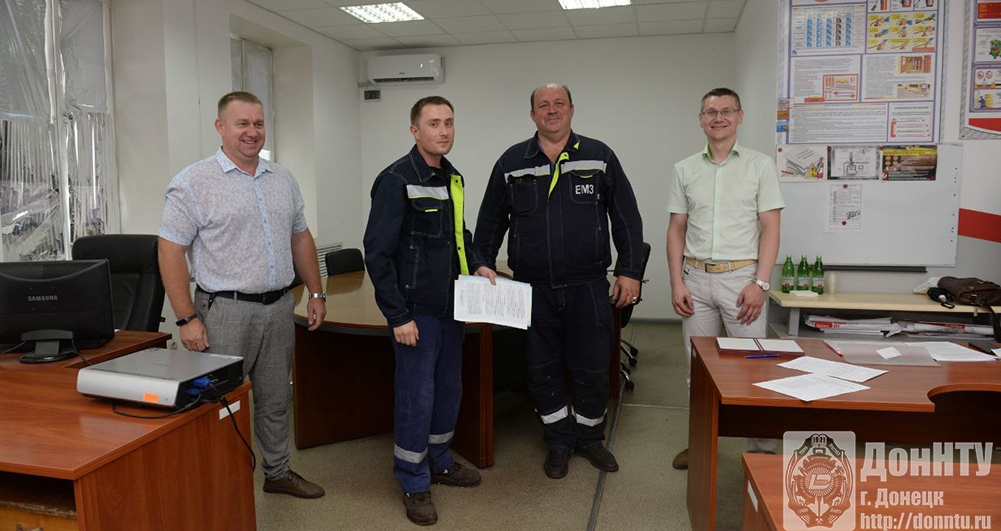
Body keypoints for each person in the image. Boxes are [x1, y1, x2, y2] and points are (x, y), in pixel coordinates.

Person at [158, 91, 327, 499]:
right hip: (224, 312)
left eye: (258, 123)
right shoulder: (193, 182)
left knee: (276, 399)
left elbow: (300, 237)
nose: (252, 132)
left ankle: (278, 473)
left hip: (279, 307)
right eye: (242, 124)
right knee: (220, 405)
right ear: (220, 127)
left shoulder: (282, 179)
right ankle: (222, 487)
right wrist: (186, 318)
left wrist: (316, 292)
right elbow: (170, 251)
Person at [474, 84, 644, 480]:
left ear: (571, 109)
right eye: (543, 105)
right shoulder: (511, 162)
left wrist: (630, 270)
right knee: (541, 368)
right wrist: (481, 263)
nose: (551, 110)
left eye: (559, 104)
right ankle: (558, 440)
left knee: (593, 366)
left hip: (588, 286)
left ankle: (590, 438)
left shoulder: (599, 156)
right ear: (532, 114)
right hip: (533, 289)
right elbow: (490, 221)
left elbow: (626, 218)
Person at [363, 96, 496, 526]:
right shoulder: (396, 179)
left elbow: (460, 234)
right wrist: (398, 316)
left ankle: (439, 460)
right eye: (434, 123)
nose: (443, 131)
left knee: (448, 389)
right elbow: (377, 253)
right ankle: (412, 479)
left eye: (449, 123)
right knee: (416, 397)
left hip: (452, 306)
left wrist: (478, 261)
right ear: (415, 131)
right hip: (415, 310)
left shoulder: (452, 177)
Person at [666, 87, 785, 470]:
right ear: (700, 119)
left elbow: (770, 227)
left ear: (740, 116)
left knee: (754, 368)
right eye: (711, 112)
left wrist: (761, 283)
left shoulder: (760, 166)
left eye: (727, 111)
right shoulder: (685, 169)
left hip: (742, 282)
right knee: (698, 372)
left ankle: (762, 453)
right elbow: (676, 229)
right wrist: (676, 282)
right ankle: (701, 445)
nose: (719, 118)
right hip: (695, 281)